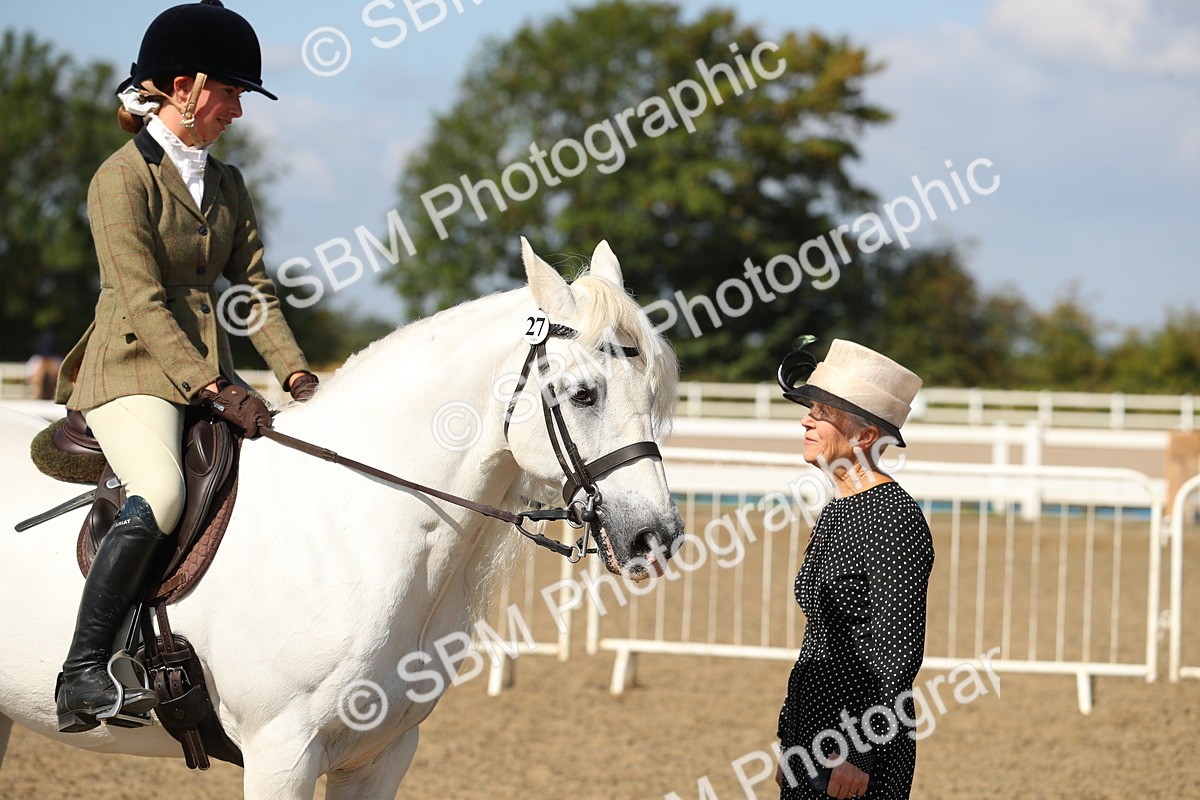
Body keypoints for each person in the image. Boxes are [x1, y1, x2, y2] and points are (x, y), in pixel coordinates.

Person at [52, 0, 319, 733]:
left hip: (205, 375)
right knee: (164, 489)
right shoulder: (120, 179)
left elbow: (255, 289)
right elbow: (139, 300)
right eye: (230, 92)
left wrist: (296, 377)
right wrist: (210, 385)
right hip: (131, 370)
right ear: (183, 87)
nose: (237, 109)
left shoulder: (227, 184)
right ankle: (80, 671)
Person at [773, 339, 934, 800]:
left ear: (864, 437)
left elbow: (897, 650)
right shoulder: (838, 510)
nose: (806, 419)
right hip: (814, 730)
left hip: (856, 745)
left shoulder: (891, 518)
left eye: (823, 413)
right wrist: (790, 734)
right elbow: (818, 637)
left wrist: (859, 754)